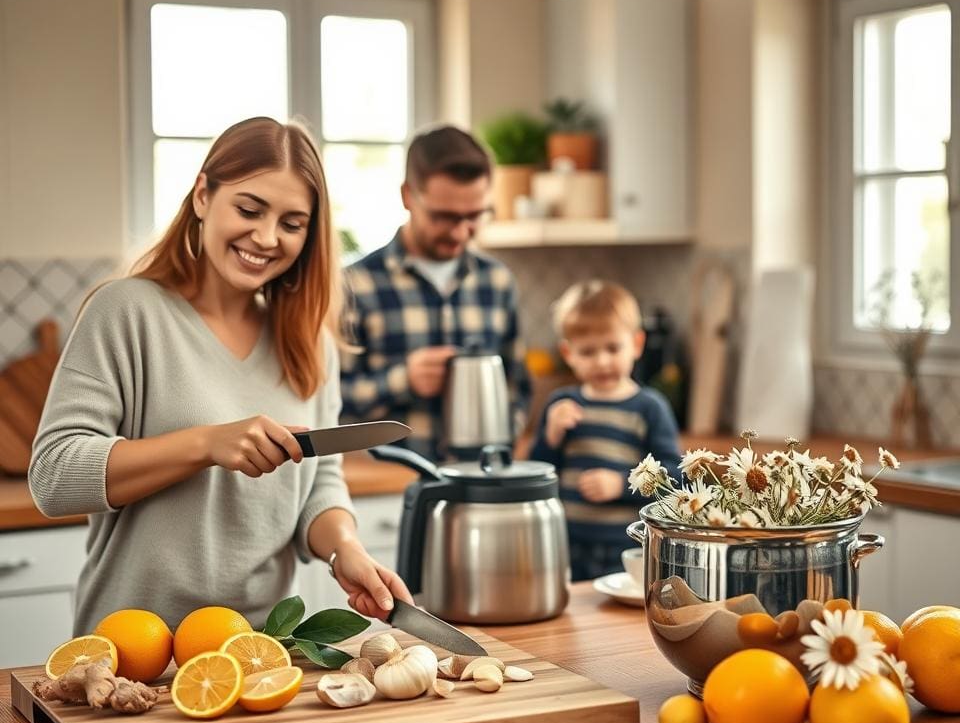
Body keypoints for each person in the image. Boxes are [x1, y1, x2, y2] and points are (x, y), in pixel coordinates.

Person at [29, 117, 412, 636]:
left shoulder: (309, 342)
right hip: (132, 650)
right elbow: (53, 476)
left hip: (259, 652)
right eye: (249, 210)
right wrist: (207, 444)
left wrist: (345, 548)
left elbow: (319, 481)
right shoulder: (125, 311)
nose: (266, 237)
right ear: (203, 195)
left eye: (292, 224)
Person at [339, 125, 530, 462]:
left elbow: (518, 388)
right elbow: (330, 401)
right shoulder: (354, 285)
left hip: (480, 480)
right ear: (408, 196)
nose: (460, 232)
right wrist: (404, 379)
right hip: (392, 482)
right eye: (444, 216)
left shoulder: (498, 282)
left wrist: (501, 442)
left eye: (475, 216)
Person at [529, 280, 682, 582]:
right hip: (565, 544)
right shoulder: (561, 404)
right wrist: (551, 436)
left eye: (613, 348)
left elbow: (675, 478)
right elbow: (538, 474)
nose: (602, 361)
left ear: (636, 344)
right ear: (568, 353)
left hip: (624, 547)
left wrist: (621, 484)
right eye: (587, 352)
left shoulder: (649, 408)